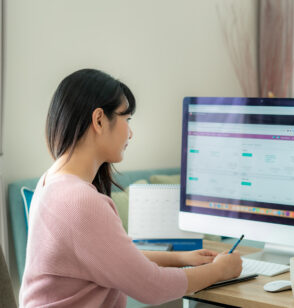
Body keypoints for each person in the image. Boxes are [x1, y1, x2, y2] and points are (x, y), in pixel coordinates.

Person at [19, 69, 242, 307]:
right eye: (127, 120)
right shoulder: (81, 201)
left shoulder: (51, 181)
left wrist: (178, 258)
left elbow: (114, 259)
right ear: (99, 120)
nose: (130, 133)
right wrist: (220, 271)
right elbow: (153, 287)